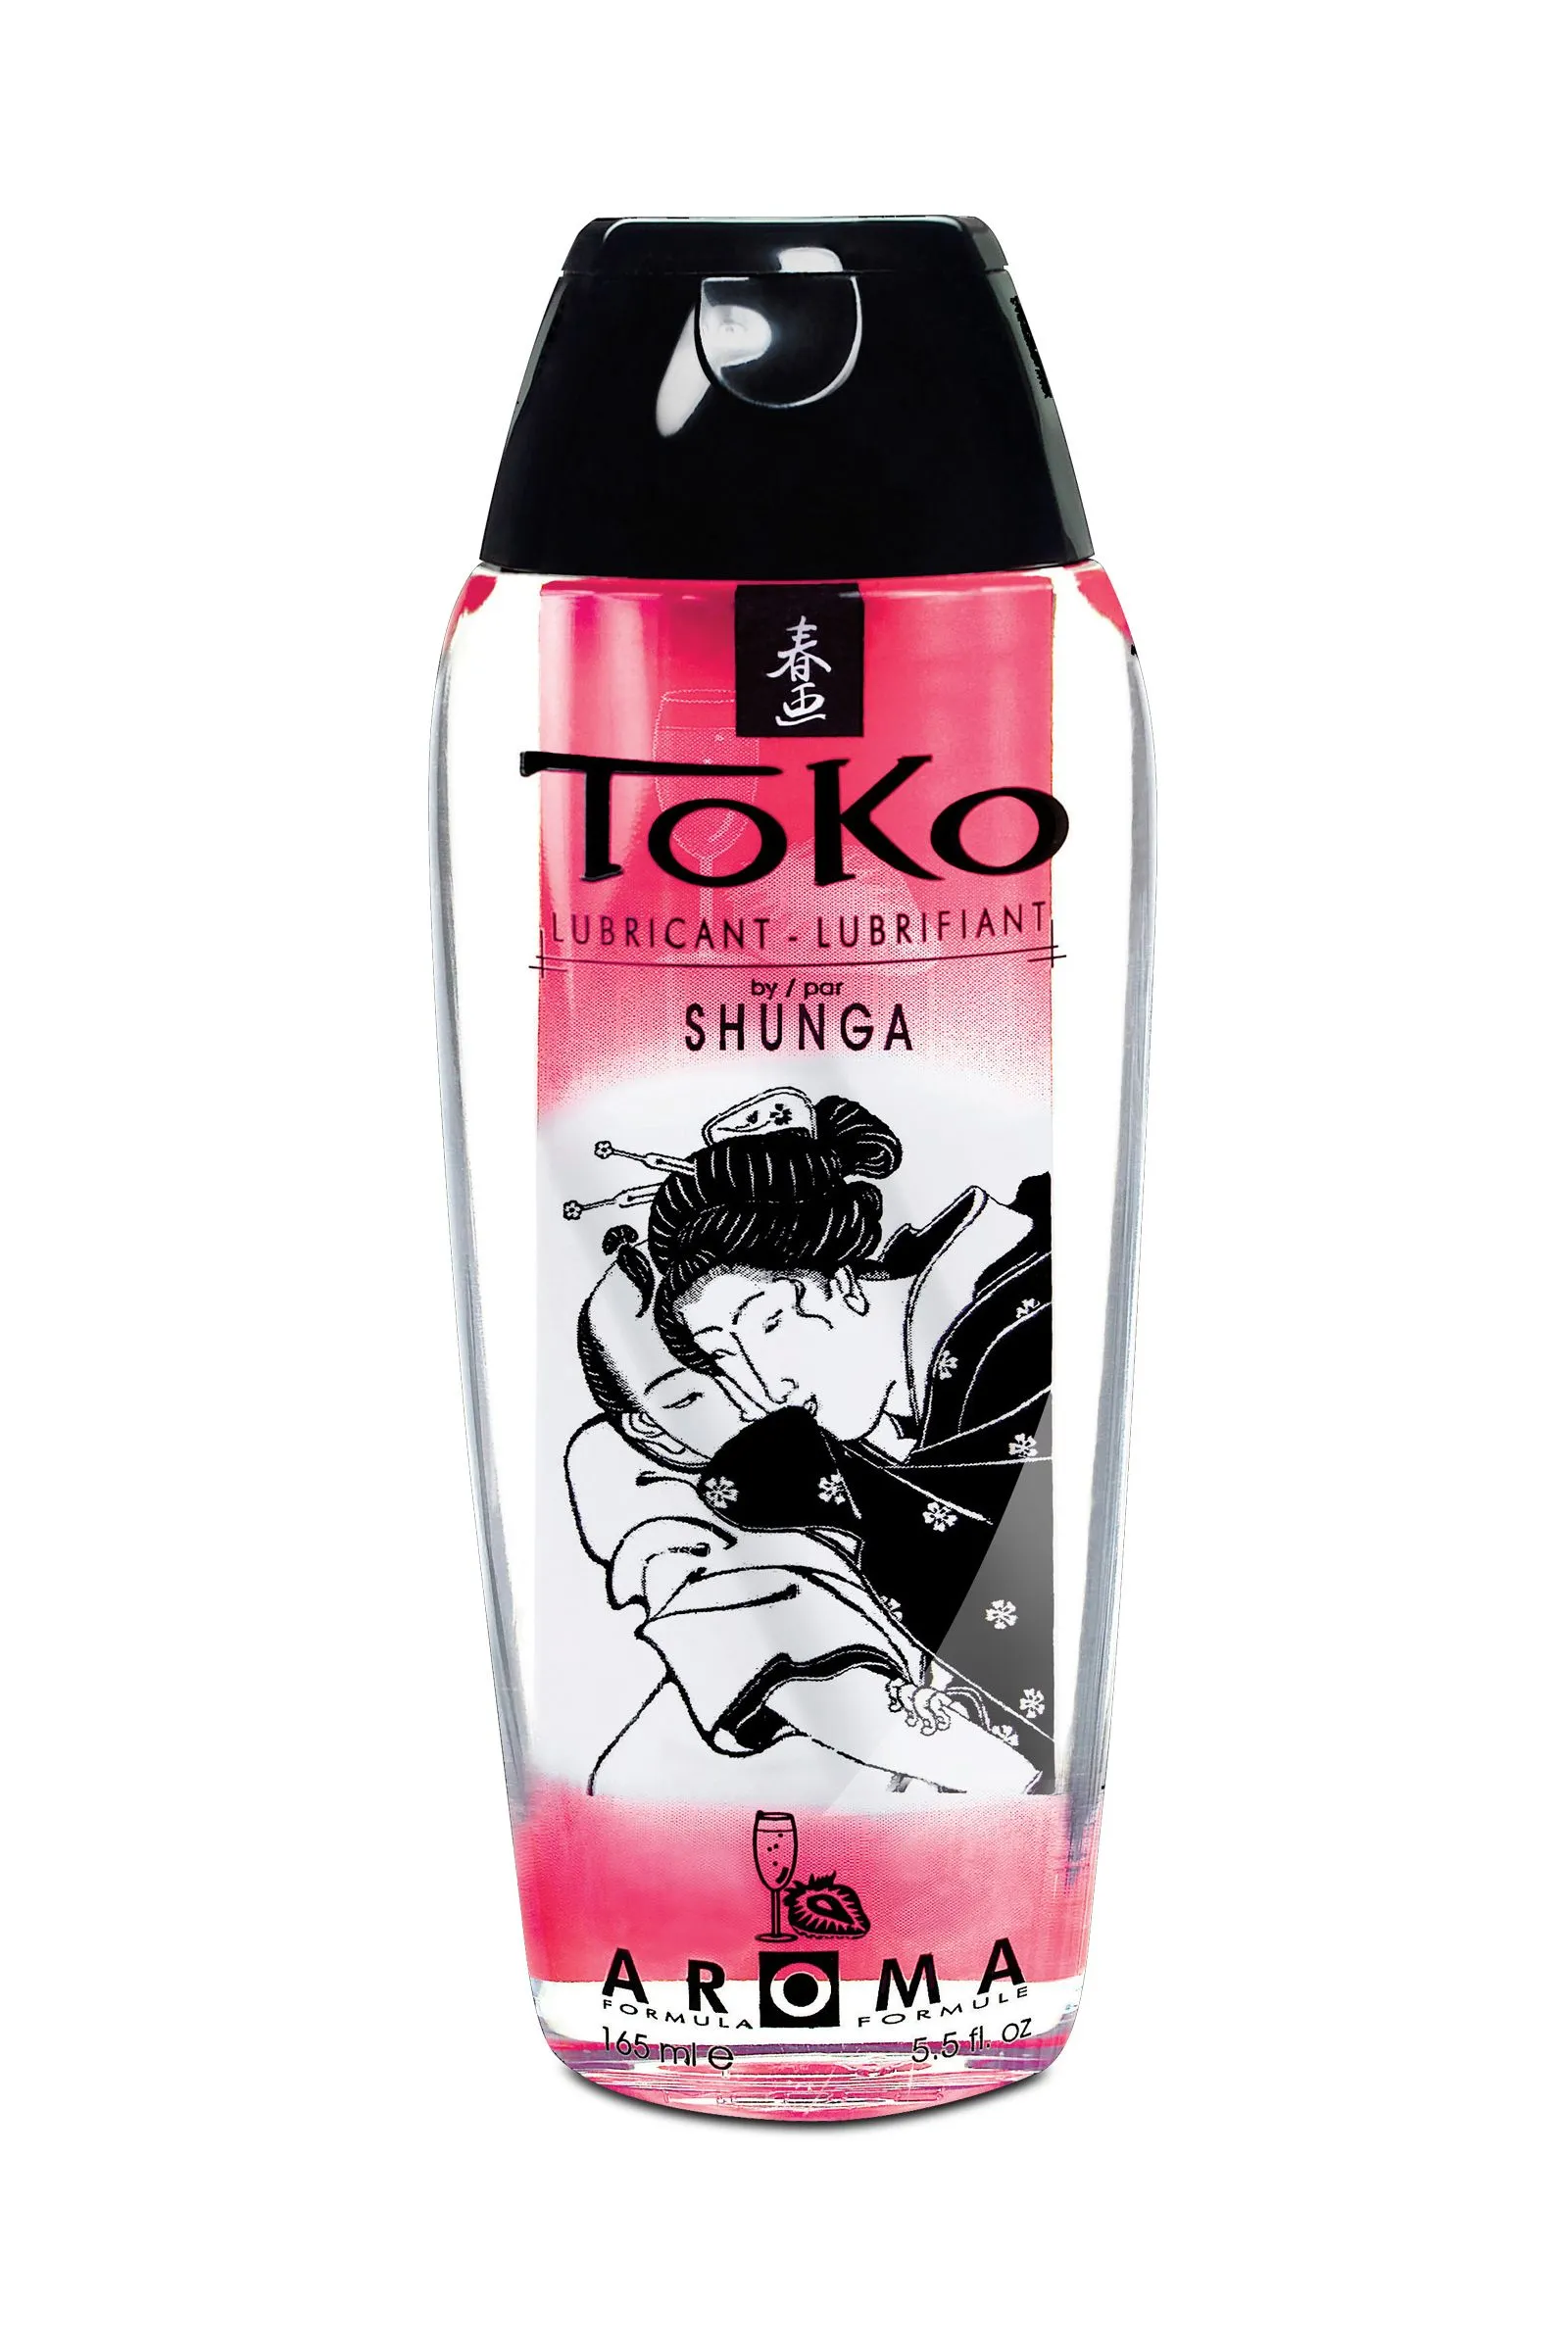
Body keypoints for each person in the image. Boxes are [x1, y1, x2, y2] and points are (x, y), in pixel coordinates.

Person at [644, 1094, 1054, 1776]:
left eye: (767, 1323)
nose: (762, 1389)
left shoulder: (1027, 1321)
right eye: (720, 1356)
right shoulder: (886, 1418)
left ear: (840, 1281)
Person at [567, 1229, 1040, 1799]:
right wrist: (1016, 1778)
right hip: (757, 1814)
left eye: (750, 1346)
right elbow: (807, 1682)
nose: (749, 1396)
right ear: (648, 1427)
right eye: (688, 1396)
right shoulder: (672, 1523)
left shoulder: (867, 1420)